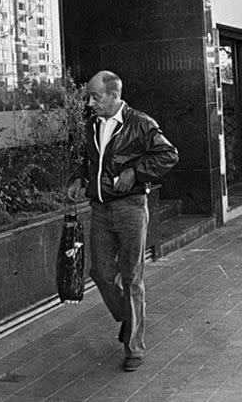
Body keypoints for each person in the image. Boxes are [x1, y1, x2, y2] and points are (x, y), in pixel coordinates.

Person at [67, 71, 179, 372]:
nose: (90, 102)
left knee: (131, 278)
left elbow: (168, 155)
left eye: (95, 96)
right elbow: (89, 158)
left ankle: (134, 348)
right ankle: (131, 318)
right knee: (101, 273)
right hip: (100, 209)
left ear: (114, 95)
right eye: (89, 96)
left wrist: (135, 173)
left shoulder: (141, 123)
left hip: (130, 208)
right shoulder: (92, 124)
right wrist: (81, 177)